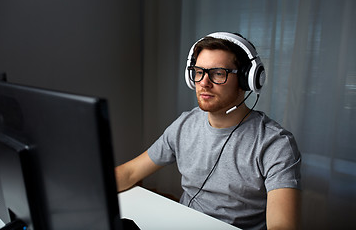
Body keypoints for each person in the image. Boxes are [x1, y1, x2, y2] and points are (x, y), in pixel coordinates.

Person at [115, 32, 301, 230]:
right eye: (198, 71)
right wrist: (88, 192)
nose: (204, 82)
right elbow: (130, 172)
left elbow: (282, 226)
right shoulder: (185, 124)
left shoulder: (275, 144)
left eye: (218, 73)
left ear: (247, 79)